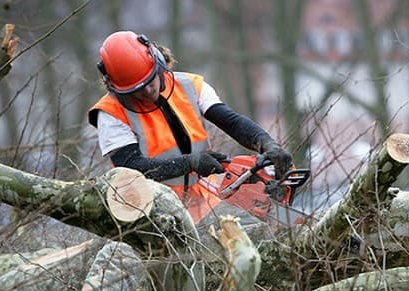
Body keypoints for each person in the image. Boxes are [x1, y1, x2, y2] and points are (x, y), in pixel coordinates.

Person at [88, 30, 292, 223]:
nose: (149, 90)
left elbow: (230, 121)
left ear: (158, 61)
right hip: (151, 214)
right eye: (138, 90)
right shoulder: (110, 113)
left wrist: (265, 143)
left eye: (150, 80)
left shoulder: (190, 85)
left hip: (206, 204)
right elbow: (132, 167)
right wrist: (191, 163)